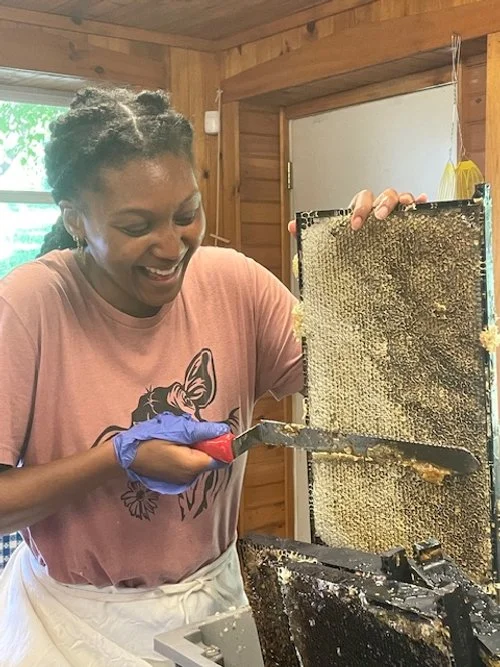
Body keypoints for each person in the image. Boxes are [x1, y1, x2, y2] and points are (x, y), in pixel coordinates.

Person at [0, 84, 421, 666]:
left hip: (216, 607)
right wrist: (117, 456)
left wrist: (388, 268)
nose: (172, 247)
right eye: (135, 225)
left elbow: (364, 384)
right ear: (75, 217)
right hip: (73, 625)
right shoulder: (28, 307)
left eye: (187, 215)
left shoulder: (233, 284)